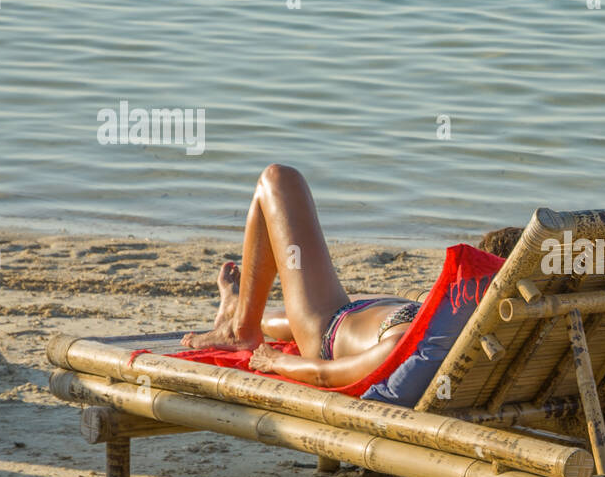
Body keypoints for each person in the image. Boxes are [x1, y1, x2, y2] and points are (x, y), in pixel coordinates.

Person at [182, 164, 428, 388]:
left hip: (328, 326)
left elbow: (326, 374)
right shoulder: (453, 327)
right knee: (289, 310)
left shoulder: (401, 348)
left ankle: (242, 330)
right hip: (383, 311)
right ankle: (238, 308)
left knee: (278, 180)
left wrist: (276, 361)